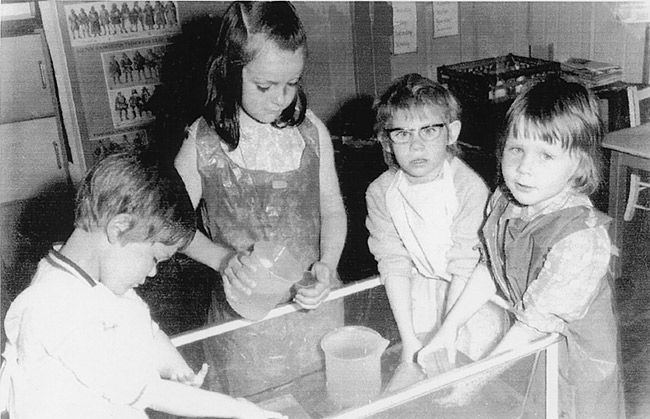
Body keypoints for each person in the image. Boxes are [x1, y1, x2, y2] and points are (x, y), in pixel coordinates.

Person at [0, 152, 282, 419]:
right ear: (119, 228)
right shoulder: (54, 304)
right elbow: (148, 391)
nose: (152, 271)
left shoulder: (101, 281)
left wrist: (175, 367)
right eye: (154, 258)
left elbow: (145, 329)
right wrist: (237, 408)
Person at [419, 77, 625, 418]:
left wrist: (474, 380)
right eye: (517, 149)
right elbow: (491, 265)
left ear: (580, 164)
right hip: (529, 350)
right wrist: (449, 327)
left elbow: (534, 326)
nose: (524, 169)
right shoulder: (506, 200)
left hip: (577, 364)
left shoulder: (580, 238)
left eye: (546, 155)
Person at [174, 1, 347, 396]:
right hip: (245, 327)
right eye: (265, 86)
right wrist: (222, 259)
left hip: (315, 310)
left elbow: (333, 209)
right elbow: (171, 222)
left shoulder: (310, 132)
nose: (280, 99)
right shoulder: (203, 142)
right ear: (230, 73)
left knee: (323, 399)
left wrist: (327, 264)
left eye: (293, 83)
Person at [366, 73, 508, 367]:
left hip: (467, 298)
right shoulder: (381, 192)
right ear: (387, 141)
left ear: (452, 132)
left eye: (428, 130)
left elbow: (465, 266)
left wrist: (448, 333)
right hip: (417, 294)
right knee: (416, 366)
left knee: (466, 374)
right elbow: (393, 263)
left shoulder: (468, 188)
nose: (416, 146)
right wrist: (409, 339)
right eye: (402, 134)